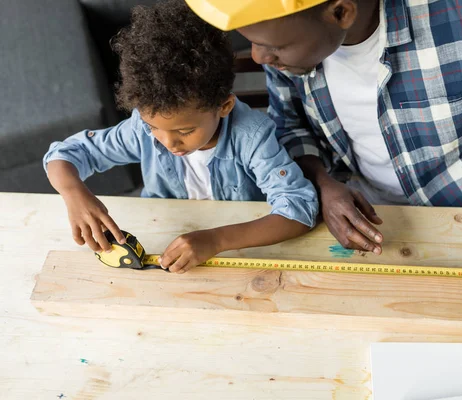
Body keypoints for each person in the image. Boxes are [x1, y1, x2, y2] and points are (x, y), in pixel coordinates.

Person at [187, 0, 462, 290]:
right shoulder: (290, 44)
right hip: (340, 218)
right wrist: (322, 182)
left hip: (460, 214)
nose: (259, 58)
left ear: (340, 11)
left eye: (274, 47)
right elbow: (290, 122)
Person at [43, 0, 318, 274]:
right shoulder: (141, 127)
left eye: (185, 131)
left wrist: (216, 239)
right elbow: (65, 154)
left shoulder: (252, 136)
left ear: (224, 106)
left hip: (240, 248)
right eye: (153, 127)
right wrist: (73, 193)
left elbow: (299, 209)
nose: (168, 142)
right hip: (164, 234)